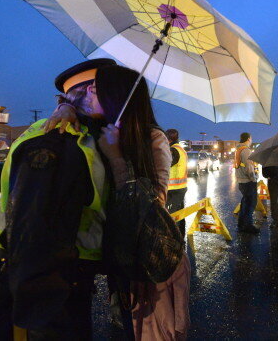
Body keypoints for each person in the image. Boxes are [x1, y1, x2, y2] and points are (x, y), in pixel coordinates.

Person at [45, 64, 191, 341]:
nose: (88, 93)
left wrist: (115, 157)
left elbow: (152, 206)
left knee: (147, 331)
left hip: (145, 256)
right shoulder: (98, 128)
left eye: (96, 89)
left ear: (116, 94)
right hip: (114, 253)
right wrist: (64, 108)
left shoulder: (152, 137)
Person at [0, 58, 118, 339]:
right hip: (44, 280)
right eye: (109, 91)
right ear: (91, 92)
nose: (116, 99)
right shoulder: (56, 140)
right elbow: (32, 225)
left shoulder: (81, 137)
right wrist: (43, 311)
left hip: (63, 273)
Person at [234, 132, 260, 234]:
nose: (251, 140)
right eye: (251, 138)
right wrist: (253, 178)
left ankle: (241, 224)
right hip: (248, 181)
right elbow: (249, 167)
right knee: (251, 204)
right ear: (248, 139)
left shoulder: (238, 150)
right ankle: (248, 226)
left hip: (241, 180)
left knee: (245, 202)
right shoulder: (246, 151)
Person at [166, 129, 188, 238]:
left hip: (173, 189)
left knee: (171, 216)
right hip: (180, 187)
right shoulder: (180, 149)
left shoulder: (173, 150)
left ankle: (173, 240)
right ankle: (179, 238)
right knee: (179, 214)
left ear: (168, 138)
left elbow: (164, 164)